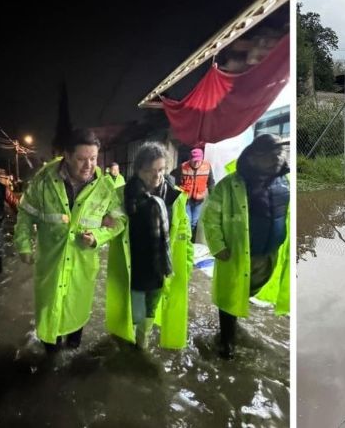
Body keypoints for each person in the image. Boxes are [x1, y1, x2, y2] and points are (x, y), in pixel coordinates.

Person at [14, 129, 126, 352]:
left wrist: (98, 237)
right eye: (82, 159)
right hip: (51, 264)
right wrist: (24, 244)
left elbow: (119, 220)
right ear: (67, 155)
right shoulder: (44, 181)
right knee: (50, 319)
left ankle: (71, 352)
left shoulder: (104, 188)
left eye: (93, 158)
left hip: (82, 267)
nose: (89, 165)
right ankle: (50, 359)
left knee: (77, 314)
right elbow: (25, 213)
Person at [201, 134, 290, 359]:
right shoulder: (229, 185)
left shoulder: (284, 181)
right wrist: (218, 246)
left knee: (246, 292)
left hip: (269, 254)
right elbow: (211, 218)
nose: (277, 158)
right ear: (252, 158)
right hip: (238, 255)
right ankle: (226, 342)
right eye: (270, 154)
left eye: (279, 153)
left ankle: (235, 323)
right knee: (230, 296)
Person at [105, 142, 193, 350]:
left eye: (161, 169)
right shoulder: (123, 195)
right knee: (135, 311)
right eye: (149, 171)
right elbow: (112, 226)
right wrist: (103, 225)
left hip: (160, 266)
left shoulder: (175, 196)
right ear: (138, 171)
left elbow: (184, 234)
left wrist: (187, 264)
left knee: (151, 309)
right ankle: (132, 335)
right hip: (134, 266)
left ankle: (141, 343)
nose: (156, 176)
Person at [172, 148, 215, 239]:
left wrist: (214, 198)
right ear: (190, 159)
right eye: (194, 161)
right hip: (185, 199)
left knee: (194, 222)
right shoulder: (182, 167)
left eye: (198, 161)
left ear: (202, 159)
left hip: (198, 200)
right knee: (188, 220)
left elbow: (211, 183)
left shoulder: (207, 167)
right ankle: (186, 240)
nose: (196, 163)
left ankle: (189, 240)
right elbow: (176, 183)